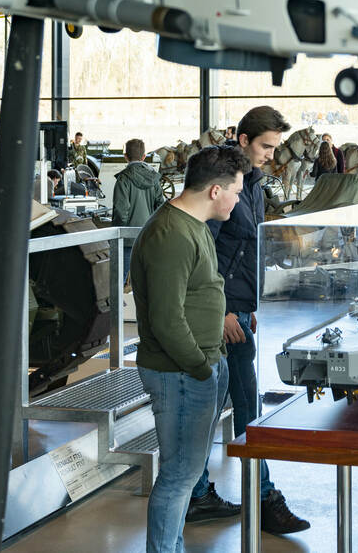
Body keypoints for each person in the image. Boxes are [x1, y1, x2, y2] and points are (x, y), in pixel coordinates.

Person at [189, 106, 309, 535]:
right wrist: (220, 310)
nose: (271, 155)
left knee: (234, 405)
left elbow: (248, 248)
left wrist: (250, 304)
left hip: (239, 309)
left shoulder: (253, 184)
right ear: (243, 140)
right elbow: (204, 252)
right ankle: (260, 498)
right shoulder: (222, 185)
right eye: (265, 146)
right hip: (220, 314)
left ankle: (202, 493)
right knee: (241, 406)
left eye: (275, 147)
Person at [132, 145, 250, 553]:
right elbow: (167, 320)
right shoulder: (171, 235)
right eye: (236, 191)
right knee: (179, 476)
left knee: (186, 472)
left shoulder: (194, 225)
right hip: (181, 373)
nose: (238, 200)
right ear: (216, 190)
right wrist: (200, 367)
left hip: (201, 365)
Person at [113, 138, 166, 276]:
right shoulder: (154, 178)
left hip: (127, 238)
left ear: (125, 157)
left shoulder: (123, 179)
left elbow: (121, 210)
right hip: (149, 236)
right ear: (144, 156)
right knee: (148, 278)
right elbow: (161, 206)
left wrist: (118, 233)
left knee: (119, 277)